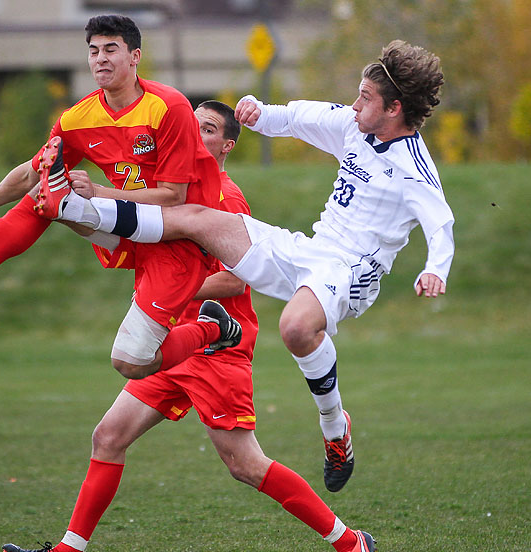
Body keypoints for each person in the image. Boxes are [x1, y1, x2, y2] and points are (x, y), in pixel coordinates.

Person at [32, 40, 455, 493]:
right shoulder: (355, 126)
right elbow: (296, 117)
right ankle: (78, 207)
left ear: (393, 108)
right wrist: (258, 111)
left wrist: (436, 268)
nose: (354, 105)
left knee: (295, 328)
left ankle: (335, 428)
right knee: (198, 219)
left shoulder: (414, 170)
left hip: (352, 272)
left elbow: (441, 223)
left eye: (365, 98)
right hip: (309, 251)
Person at [1, 101, 379, 552]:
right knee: (108, 437)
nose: (191, 134)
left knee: (245, 465)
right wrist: (69, 210)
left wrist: (175, 290)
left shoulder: (226, 199)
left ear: (226, 146)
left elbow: (230, 279)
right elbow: (124, 246)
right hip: (172, 341)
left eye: (206, 129)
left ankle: (351, 542)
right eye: (188, 125)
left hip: (218, 343)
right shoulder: (166, 193)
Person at [0, 15, 240, 380]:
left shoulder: (169, 107)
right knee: (48, 189)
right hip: (132, 230)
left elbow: (174, 198)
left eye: (111, 49)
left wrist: (99, 192)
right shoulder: (79, 117)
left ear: (135, 56)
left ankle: (213, 328)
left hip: (181, 240)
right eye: (93, 51)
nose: (100, 59)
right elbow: (31, 170)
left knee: (131, 362)